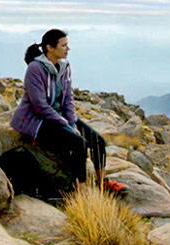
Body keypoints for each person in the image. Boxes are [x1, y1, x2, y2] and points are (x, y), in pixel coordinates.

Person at [9, 29, 124, 195]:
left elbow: (68, 98)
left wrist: (71, 121)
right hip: (38, 121)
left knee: (97, 140)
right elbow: (40, 106)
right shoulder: (35, 69)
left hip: (59, 117)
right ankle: (80, 192)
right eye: (64, 45)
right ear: (50, 47)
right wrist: (67, 126)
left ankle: (102, 183)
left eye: (67, 44)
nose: (67, 48)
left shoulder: (64, 67)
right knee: (79, 144)